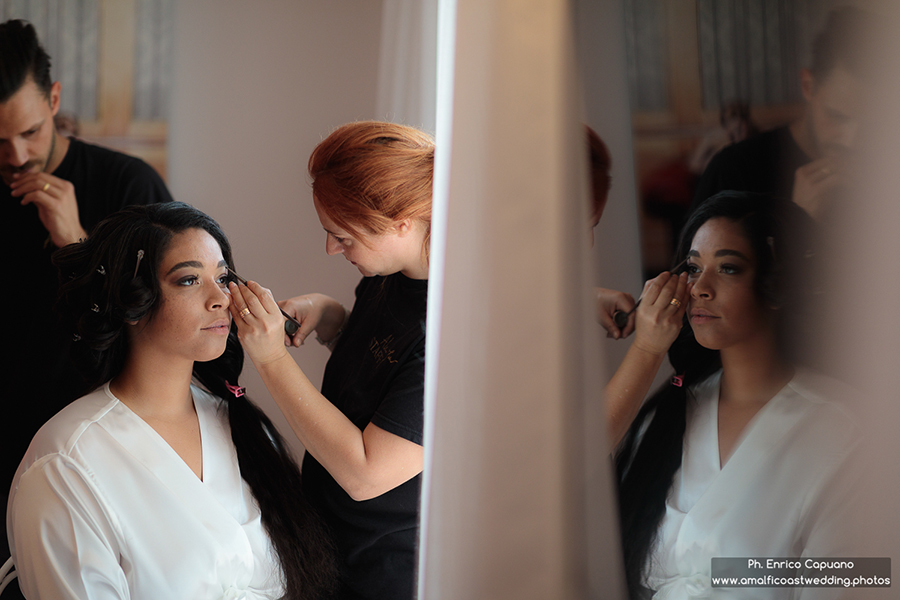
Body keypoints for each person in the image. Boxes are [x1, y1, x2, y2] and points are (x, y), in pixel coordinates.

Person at [7, 202, 337, 600]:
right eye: (188, 281)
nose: (221, 299)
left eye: (222, 277)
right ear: (132, 303)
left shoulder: (242, 425)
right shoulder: (65, 465)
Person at [615, 192, 857, 599]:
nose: (700, 289)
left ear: (778, 284)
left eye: (728, 268)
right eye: (692, 268)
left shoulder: (843, 428)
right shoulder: (670, 413)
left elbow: (860, 576)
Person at [228, 121, 430, 600]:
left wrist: (271, 358)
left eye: (342, 236)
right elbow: (385, 381)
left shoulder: (454, 330)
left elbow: (366, 474)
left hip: (387, 573)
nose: (331, 248)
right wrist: (332, 316)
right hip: (330, 546)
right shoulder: (389, 275)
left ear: (401, 222)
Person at [0, 19, 173, 564]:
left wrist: (74, 241)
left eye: (28, 132)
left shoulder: (130, 185)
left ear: (53, 99)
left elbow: (162, 323)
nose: (16, 156)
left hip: (93, 446)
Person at [690, 7, 877, 221]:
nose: (852, 142)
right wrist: (798, 220)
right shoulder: (733, 172)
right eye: (836, 115)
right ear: (808, 85)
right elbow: (694, 254)